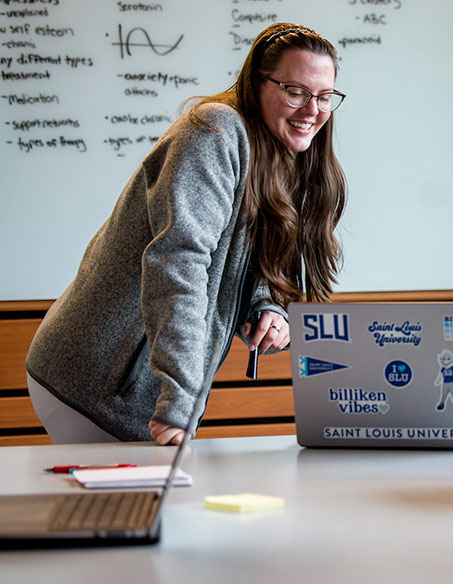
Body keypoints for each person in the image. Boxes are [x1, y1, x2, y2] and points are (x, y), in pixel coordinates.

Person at [25, 23, 347, 445]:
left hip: (133, 391)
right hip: (94, 382)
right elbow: (179, 264)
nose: (312, 110)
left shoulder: (274, 154)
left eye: (324, 97)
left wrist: (268, 306)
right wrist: (179, 402)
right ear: (256, 82)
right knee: (122, 512)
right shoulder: (213, 131)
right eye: (295, 91)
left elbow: (238, 258)